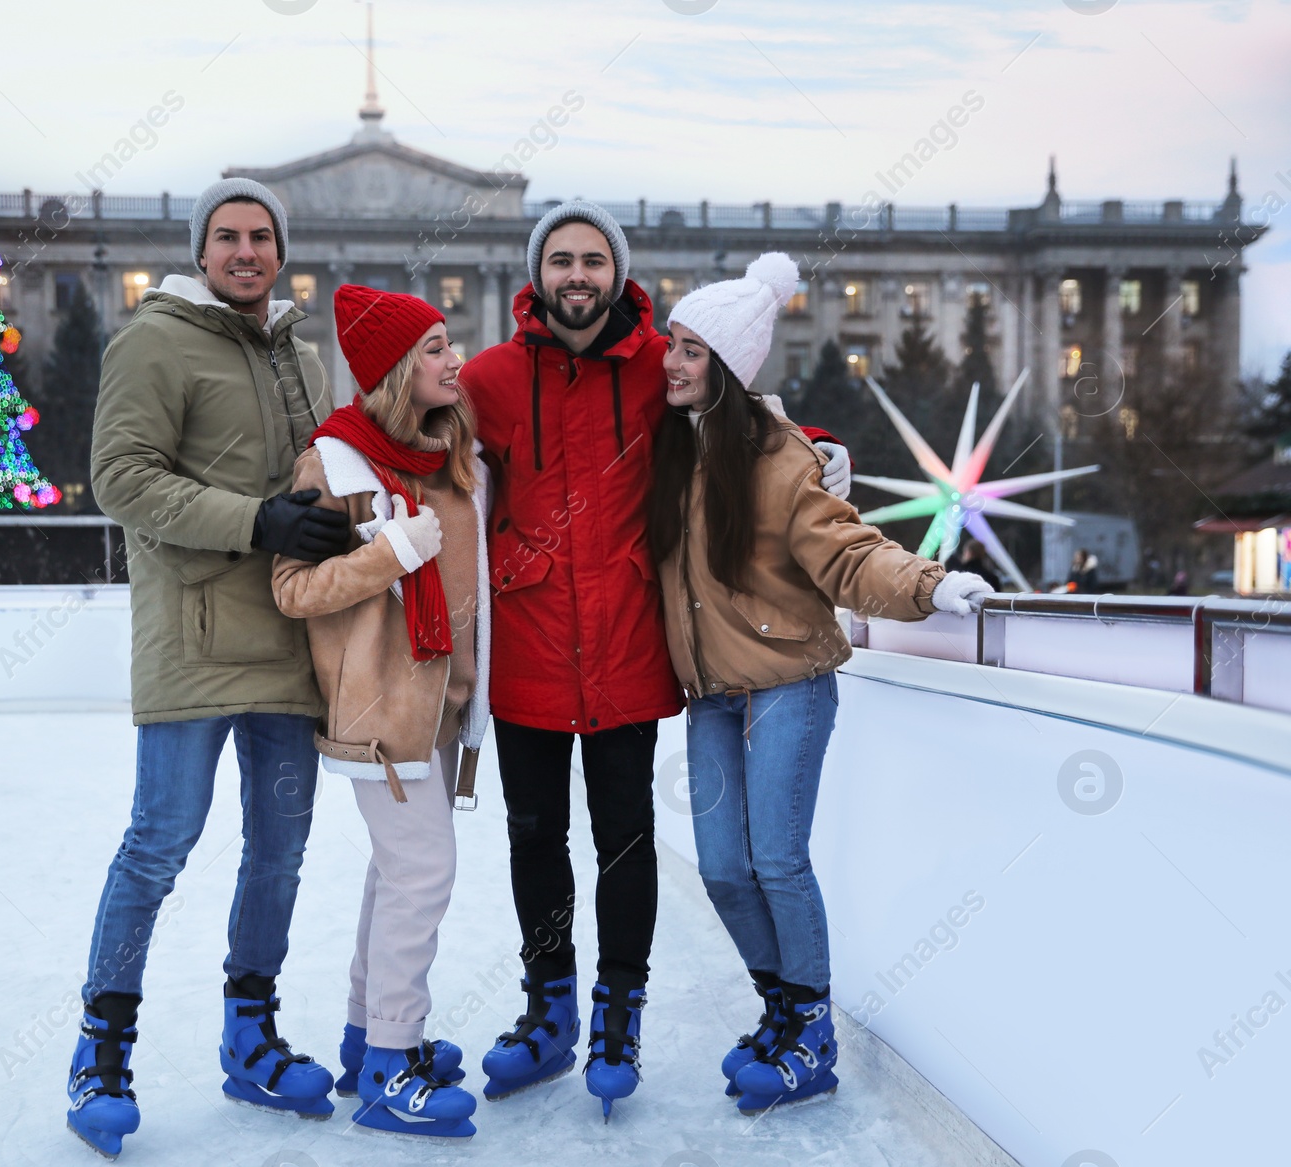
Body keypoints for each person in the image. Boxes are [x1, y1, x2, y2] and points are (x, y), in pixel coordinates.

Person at [457, 201, 852, 1120]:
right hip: (529, 654)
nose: (578, 275)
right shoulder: (494, 378)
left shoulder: (653, 369)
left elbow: (742, 410)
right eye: (561, 260)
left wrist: (820, 446)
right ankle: (549, 1007)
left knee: (625, 842)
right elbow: (417, 434)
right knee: (534, 841)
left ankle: (617, 1014)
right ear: (538, 275)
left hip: (633, 652)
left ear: (616, 272)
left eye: (594, 259)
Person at [646, 254, 990, 1115]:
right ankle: (779, 1011)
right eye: (672, 345)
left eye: (689, 350)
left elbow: (846, 551)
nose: (672, 362)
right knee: (723, 867)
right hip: (712, 694)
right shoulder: (665, 451)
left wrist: (929, 583)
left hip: (790, 680)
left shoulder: (780, 459)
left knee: (776, 858)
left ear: (723, 366)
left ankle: (811, 1035)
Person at [67, 179, 347, 1157]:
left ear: (280, 249)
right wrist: (255, 521)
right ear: (201, 251)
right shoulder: (155, 340)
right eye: (226, 236)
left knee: (278, 854)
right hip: (191, 645)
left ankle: (251, 1036)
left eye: (261, 236)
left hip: (288, 648)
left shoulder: (302, 354)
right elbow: (123, 477)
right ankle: (103, 1047)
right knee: (160, 843)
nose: (244, 251)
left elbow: (331, 474)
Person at [272, 283, 489, 1139]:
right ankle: (395, 1065)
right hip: (378, 708)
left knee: (394, 873)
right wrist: (390, 553)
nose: (455, 359)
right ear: (399, 367)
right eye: (435, 348)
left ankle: (369, 1044)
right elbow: (294, 588)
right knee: (424, 872)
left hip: (443, 704)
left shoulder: (453, 455)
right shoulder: (334, 466)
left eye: (450, 343)